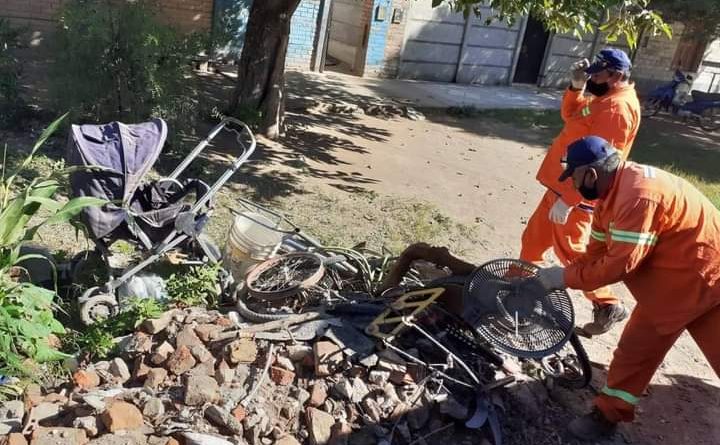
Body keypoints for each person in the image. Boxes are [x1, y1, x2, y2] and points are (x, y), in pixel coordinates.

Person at [531, 135, 720, 441]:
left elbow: (619, 265)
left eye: (574, 178)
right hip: (666, 288)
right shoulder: (609, 196)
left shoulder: (637, 196)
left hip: (707, 282)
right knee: (634, 351)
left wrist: (563, 279)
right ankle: (607, 413)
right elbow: (596, 254)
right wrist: (563, 274)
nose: (574, 185)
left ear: (591, 174)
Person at [520, 49, 641, 335]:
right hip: (562, 185)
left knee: (572, 253)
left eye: (597, 75)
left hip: (576, 193)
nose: (592, 79)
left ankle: (608, 303)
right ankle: (518, 290)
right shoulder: (604, 99)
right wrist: (576, 87)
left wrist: (569, 200)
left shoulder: (617, 109)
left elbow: (601, 165)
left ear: (615, 75)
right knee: (533, 242)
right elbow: (571, 116)